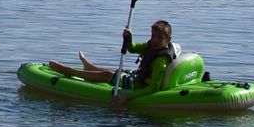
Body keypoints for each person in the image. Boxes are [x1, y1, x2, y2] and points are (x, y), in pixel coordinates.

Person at [45, 19, 179, 104]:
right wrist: (128, 38)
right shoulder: (151, 46)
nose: (155, 40)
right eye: (153, 36)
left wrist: (127, 97)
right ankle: (89, 67)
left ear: (168, 38)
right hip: (139, 76)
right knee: (117, 70)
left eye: (159, 38)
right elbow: (132, 48)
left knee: (108, 75)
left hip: (139, 85)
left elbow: (152, 88)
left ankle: (70, 71)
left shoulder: (160, 61)